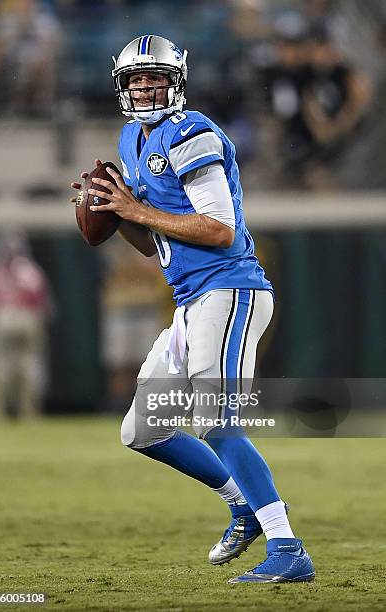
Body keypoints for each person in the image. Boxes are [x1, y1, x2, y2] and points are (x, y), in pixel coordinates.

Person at [70, 35, 315, 584]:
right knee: (143, 430)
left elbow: (220, 231)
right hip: (189, 299)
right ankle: (243, 504)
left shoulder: (192, 133)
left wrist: (136, 207)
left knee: (217, 423)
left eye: (155, 77)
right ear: (122, 86)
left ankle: (288, 547)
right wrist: (117, 214)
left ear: (176, 80)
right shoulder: (134, 137)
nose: (146, 87)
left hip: (229, 289)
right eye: (136, 79)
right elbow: (154, 244)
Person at [0, 231, 54, 419]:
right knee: (30, 365)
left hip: (1, 317)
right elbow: (44, 306)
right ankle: (29, 411)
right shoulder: (33, 272)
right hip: (27, 318)